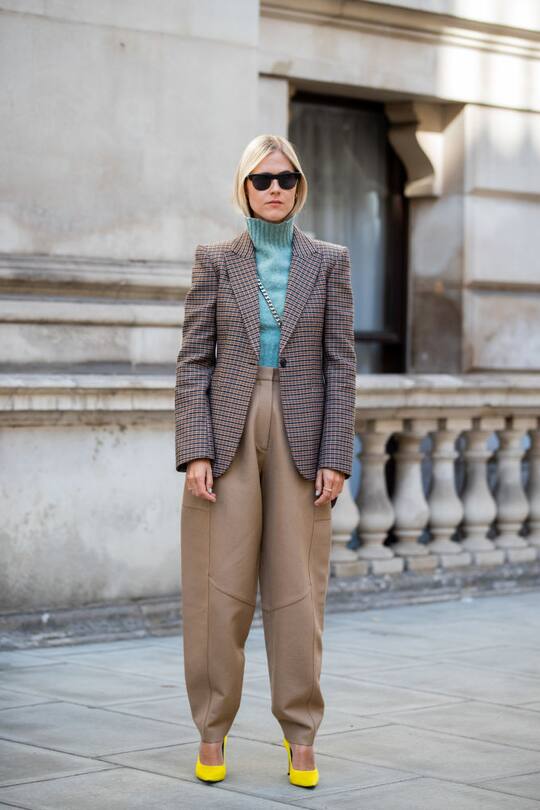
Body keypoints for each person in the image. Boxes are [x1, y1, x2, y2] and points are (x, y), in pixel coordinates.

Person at [175, 133, 356, 788]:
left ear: (299, 186)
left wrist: (338, 453)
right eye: (262, 179)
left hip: (303, 433)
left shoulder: (330, 262)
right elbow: (194, 360)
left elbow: (342, 363)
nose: (274, 188)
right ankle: (212, 729)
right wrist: (194, 447)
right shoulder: (216, 261)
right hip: (227, 432)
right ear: (244, 189)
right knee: (216, 588)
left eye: (285, 178)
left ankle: (300, 734)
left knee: (297, 589)